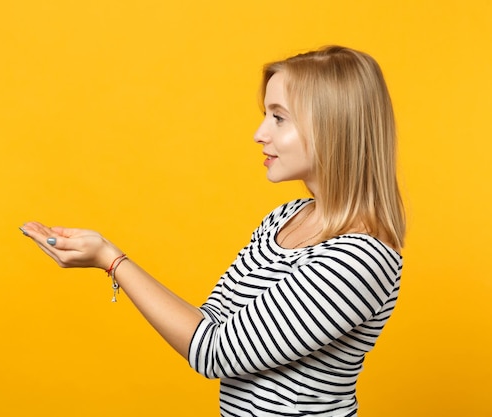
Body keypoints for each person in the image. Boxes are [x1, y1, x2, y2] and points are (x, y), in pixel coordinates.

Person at [20, 45, 405, 417]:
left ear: (333, 126)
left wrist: (111, 260)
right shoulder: (285, 218)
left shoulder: (359, 258)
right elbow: (211, 321)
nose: (259, 133)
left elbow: (214, 352)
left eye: (279, 117)